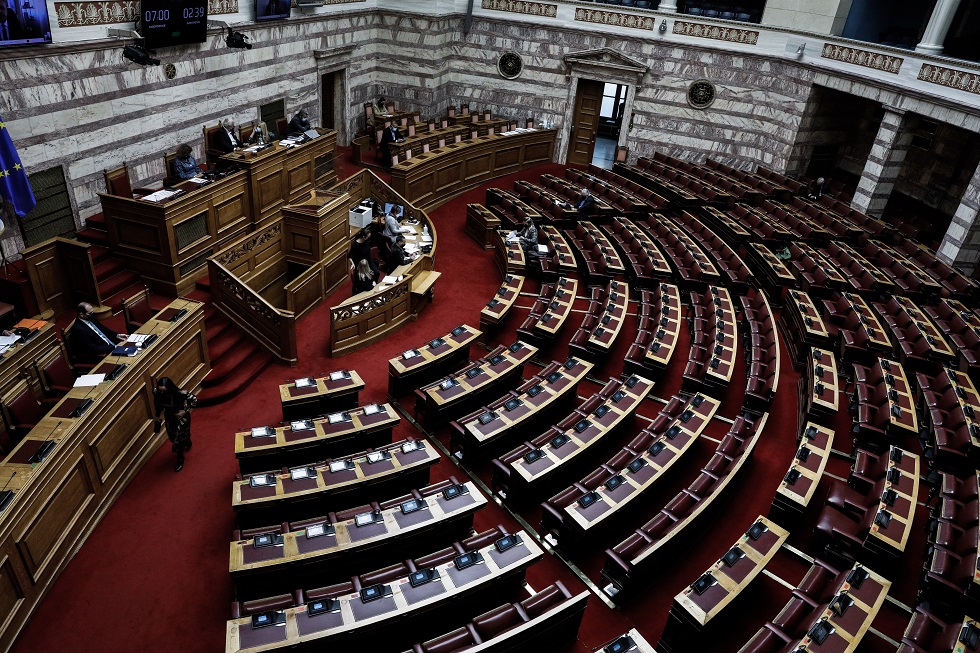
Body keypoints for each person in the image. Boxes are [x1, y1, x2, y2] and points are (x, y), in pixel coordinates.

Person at [153, 377, 197, 472]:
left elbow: (194, 400)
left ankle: (180, 458)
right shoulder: (156, 392)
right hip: (169, 417)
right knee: (172, 437)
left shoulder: (180, 393)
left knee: (178, 440)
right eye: (161, 391)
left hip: (181, 417)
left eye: (164, 391)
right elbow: (158, 406)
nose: (162, 393)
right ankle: (187, 440)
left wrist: (185, 411)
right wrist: (157, 417)